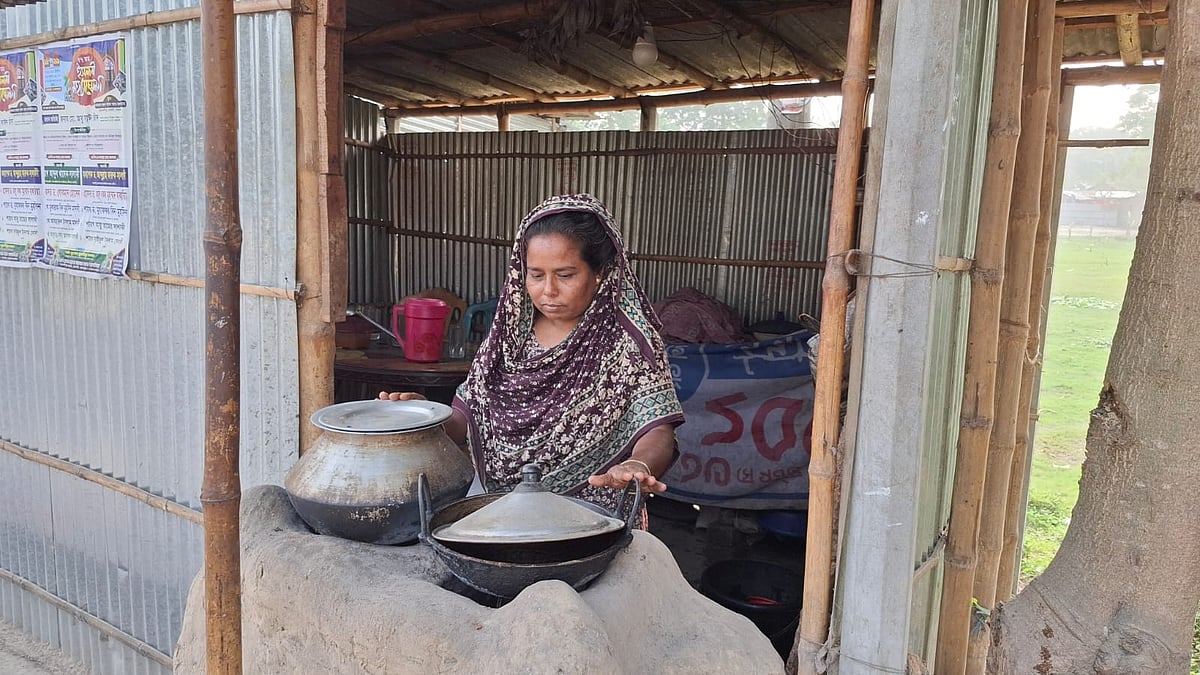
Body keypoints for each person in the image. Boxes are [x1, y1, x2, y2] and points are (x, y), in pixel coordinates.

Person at [381, 194, 684, 511]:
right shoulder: (508, 338)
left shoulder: (629, 342)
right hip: (498, 508)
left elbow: (657, 427)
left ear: (600, 273)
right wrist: (425, 420)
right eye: (536, 275)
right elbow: (467, 421)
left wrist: (639, 464)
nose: (548, 290)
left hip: (592, 516)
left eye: (565, 275)